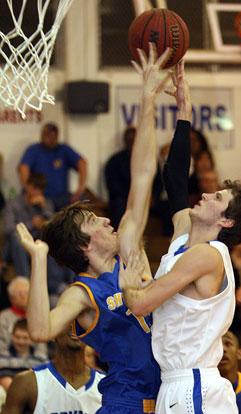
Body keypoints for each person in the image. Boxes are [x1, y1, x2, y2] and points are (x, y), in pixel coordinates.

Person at [16, 44, 172, 414]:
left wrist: (147, 98)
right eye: (94, 221)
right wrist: (39, 258)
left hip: (166, 398)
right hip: (125, 402)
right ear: (84, 245)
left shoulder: (130, 254)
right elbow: (40, 330)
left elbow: (143, 174)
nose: (106, 219)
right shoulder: (82, 293)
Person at [119, 60, 241, 414]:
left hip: (195, 385)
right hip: (178, 382)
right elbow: (174, 179)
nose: (208, 194)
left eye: (218, 198)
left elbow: (139, 303)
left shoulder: (209, 256)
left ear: (226, 222)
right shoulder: (186, 233)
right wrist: (183, 110)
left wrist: (127, 284)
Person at [2, 173, 73, 306]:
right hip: (14, 248)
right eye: (34, 187)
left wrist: (45, 211)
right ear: (27, 186)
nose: (37, 191)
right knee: (16, 238)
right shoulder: (13, 204)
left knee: (51, 238)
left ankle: (56, 283)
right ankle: (26, 283)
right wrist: (31, 224)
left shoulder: (45, 202)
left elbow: (55, 226)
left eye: (40, 188)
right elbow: (8, 228)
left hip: (37, 242)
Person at [1, 325, 105, 414]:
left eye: (79, 321)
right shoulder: (26, 382)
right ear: (52, 334)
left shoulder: (106, 384)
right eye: (68, 320)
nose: (74, 326)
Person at [105, 125, 163, 230]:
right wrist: (134, 198)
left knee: (168, 206)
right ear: (124, 141)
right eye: (129, 139)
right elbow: (113, 186)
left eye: (134, 138)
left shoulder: (150, 158)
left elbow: (159, 182)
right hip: (126, 199)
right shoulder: (115, 161)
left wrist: (153, 195)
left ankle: (168, 238)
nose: (131, 141)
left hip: (147, 198)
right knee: (119, 205)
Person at [18, 122, 87, 211]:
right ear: (42, 136)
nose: (51, 139)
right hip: (40, 195)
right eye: (48, 135)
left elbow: (82, 163)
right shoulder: (33, 150)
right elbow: (23, 168)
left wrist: (80, 189)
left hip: (60, 197)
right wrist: (30, 191)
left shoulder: (63, 149)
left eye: (54, 136)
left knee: (83, 201)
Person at [0, 277, 47, 359]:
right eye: (18, 293)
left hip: (35, 361)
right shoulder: (3, 317)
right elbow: (2, 346)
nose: (23, 296)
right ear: (11, 298)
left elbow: (42, 347)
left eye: (26, 292)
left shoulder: (38, 316)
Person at [0, 319, 47, 392]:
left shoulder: (40, 358)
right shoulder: (4, 356)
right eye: (17, 337)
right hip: (11, 394)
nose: (21, 342)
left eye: (25, 338)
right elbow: (4, 378)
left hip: (35, 393)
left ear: (32, 339)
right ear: (12, 336)